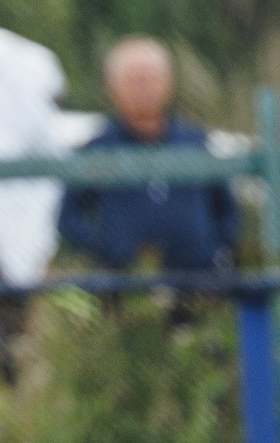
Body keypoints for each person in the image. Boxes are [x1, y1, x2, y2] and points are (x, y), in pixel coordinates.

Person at [57, 36, 240, 271]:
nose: (143, 88)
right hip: (123, 289)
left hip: (197, 286)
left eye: (151, 78)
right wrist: (107, 250)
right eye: (134, 80)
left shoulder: (196, 144)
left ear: (169, 82)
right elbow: (70, 218)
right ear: (113, 85)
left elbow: (227, 210)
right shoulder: (97, 150)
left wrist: (211, 249)